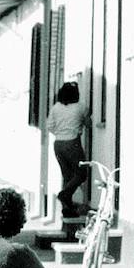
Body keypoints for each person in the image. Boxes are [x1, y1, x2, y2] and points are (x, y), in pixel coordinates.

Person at [46, 82, 91, 217]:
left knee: (67, 176)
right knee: (81, 174)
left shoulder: (56, 107)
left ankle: (67, 208)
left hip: (58, 144)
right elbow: (88, 123)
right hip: (73, 142)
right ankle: (64, 195)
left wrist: (60, 132)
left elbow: (50, 126)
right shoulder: (80, 107)